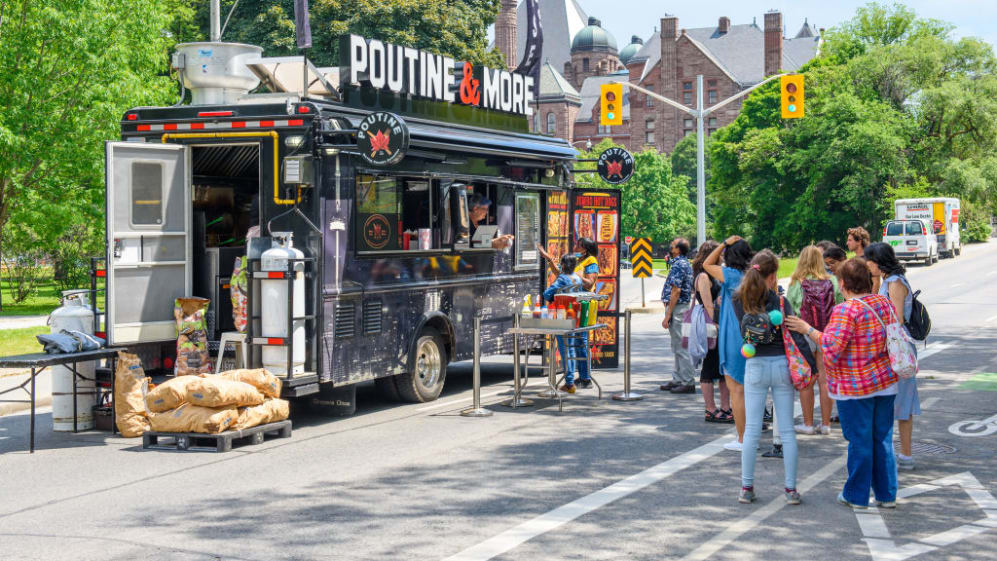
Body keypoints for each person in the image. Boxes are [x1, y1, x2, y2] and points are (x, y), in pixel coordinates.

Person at [786, 258, 899, 509]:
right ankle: (887, 493)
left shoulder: (846, 310)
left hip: (855, 386)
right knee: (882, 439)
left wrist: (808, 329)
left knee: (860, 441)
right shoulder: (884, 302)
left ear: (843, 283)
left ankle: (856, 495)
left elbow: (831, 347)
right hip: (886, 381)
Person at [733, 250, 814, 505]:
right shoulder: (780, 302)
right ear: (773, 275)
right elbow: (795, 335)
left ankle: (747, 487)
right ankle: (790, 489)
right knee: (787, 430)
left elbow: (742, 331)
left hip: (755, 364)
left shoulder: (739, 299)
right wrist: (812, 367)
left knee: (752, 431)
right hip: (781, 365)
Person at [865, 242, 920, 470]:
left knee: (902, 402)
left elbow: (896, 319)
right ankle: (894, 452)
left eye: (869, 261)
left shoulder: (895, 283)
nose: (867, 265)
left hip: (898, 348)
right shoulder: (888, 280)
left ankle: (905, 455)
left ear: (878, 261)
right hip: (894, 345)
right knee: (890, 400)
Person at [787, 246, 844, 435]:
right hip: (827, 333)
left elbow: (792, 309)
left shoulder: (796, 282)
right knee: (825, 380)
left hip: (804, 333)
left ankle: (808, 423)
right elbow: (839, 304)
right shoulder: (833, 281)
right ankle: (826, 423)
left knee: (808, 379)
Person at [704, 235, 754, 451]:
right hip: (751, 334)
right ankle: (749, 434)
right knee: (750, 390)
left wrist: (723, 243)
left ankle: (743, 438)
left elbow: (706, 264)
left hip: (733, 335)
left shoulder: (731, 275)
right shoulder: (752, 275)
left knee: (737, 390)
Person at [692, 241, 731, 422]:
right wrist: (713, 323)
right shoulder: (703, 277)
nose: (722, 256)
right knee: (709, 367)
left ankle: (725, 406)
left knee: (722, 368)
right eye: (719, 254)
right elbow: (707, 303)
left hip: (720, 323)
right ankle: (710, 408)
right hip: (712, 326)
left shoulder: (713, 274)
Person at [543, 254, 587, 393]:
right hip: (576, 317)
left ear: (562, 265)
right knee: (571, 349)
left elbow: (547, 294)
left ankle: (569, 383)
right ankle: (570, 381)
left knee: (566, 350)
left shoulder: (562, 278)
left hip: (562, 317)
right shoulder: (578, 279)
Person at [660, 238, 697, 394]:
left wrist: (668, 315)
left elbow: (676, 290)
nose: (670, 247)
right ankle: (678, 378)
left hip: (677, 308)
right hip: (677, 307)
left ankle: (688, 381)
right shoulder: (681, 263)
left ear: (678, 249)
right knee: (677, 346)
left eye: (673, 245)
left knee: (681, 347)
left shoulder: (679, 265)